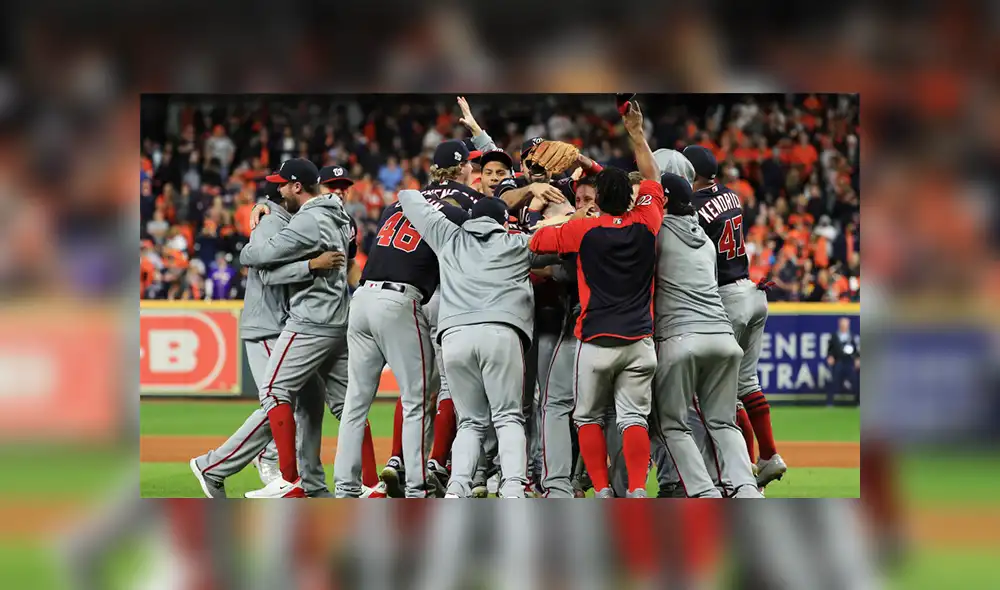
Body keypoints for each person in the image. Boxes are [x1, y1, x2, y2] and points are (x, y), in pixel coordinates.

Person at [528, 101, 662, 498]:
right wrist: (636, 134)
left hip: (595, 341)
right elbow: (652, 176)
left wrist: (561, 216)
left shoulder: (582, 230)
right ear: (633, 199)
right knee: (633, 419)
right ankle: (636, 489)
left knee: (586, 418)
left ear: (599, 199)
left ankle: (602, 489)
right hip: (639, 341)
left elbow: (535, 241)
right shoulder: (647, 222)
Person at [396, 189, 557, 498]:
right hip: (501, 333)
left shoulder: (448, 236)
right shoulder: (516, 243)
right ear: (504, 223)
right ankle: (512, 487)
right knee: (508, 417)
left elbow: (407, 196)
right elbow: (561, 245)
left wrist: (447, 199)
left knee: (469, 422)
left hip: (455, 338)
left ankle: (457, 488)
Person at [189, 181, 345, 498]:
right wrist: (311, 265)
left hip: (291, 326)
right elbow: (262, 270)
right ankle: (216, 466)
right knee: (277, 401)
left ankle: (312, 485)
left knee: (310, 407)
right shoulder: (271, 221)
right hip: (268, 325)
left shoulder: (295, 219)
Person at [332, 155, 468, 498]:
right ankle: (417, 486)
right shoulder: (452, 212)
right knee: (418, 398)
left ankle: (345, 487)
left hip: (362, 297)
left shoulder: (397, 206)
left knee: (355, 402)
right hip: (398, 299)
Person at [239, 158, 355, 499]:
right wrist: (269, 210)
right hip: (332, 320)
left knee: (276, 395)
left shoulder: (313, 219)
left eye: (342, 187)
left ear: (299, 186)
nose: (338, 192)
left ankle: (277, 473)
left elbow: (256, 261)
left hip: (306, 321)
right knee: (339, 406)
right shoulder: (341, 220)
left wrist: (303, 262)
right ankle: (354, 485)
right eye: (334, 187)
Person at [651, 172, 763, 498]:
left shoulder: (656, 233)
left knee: (672, 425)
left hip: (682, 338)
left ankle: (705, 493)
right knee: (724, 423)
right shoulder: (706, 238)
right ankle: (746, 490)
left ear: (665, 200)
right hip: (724, 340)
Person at [684, 144, 787, 489]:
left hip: (727, 296)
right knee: (747, 384)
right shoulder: (730, 195)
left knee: (715, 393)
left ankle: (741, 470)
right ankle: (769, 456)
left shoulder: (694, 205)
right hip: (753, 292)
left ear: (692, 173)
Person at [826, 317, 860, 405]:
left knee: (855, 381)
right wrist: (830, 356)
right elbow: (830, 349)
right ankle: (830, 402)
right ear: (840, 325)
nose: (844, 326)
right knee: (833, 381)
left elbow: (856, 350)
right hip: (838, 361)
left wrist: (857, 359)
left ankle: (857, 401)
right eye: (843, 324)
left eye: (846, 324)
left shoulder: (852, 336)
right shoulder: (834, 336)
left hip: (849, 361)